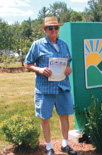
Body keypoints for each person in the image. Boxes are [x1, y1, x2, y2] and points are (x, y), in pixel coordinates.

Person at [24, 17, 77, 155]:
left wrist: (68, 69)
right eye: (50, 28)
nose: (54, 30)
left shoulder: (64, 44)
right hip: (45, 89)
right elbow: (27, 63)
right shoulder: (37, 45)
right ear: (45, 30)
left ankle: (65, 145)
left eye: (56, 27)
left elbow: (68, 61)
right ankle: (49, 147)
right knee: (45, 117)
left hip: (62, 86)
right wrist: (40, 70)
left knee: (64, 115)